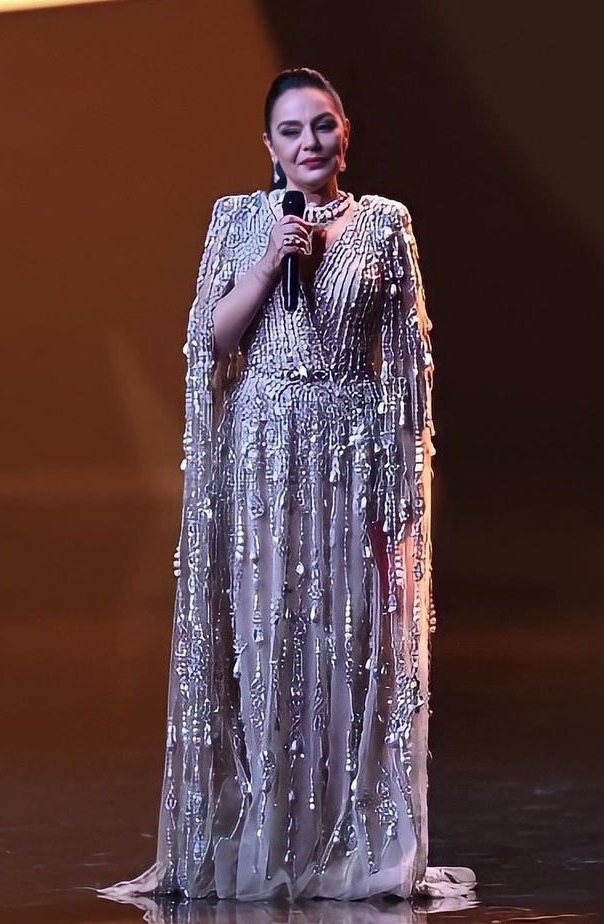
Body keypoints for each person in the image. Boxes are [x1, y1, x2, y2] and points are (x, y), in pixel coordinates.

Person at [99, 67, 476, 905]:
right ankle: (269, 834)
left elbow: (406, 367)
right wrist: (271, 260)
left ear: (346, 133)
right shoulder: (238, 219)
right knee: (268, 641)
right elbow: (210, 340)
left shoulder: (385, 223)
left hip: (350, 458)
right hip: (261, 460)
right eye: (293, 130)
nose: (311, 143)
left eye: (324, 125)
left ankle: (346, 839)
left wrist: (400, 486)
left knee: (347, 646)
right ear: (268, 145)